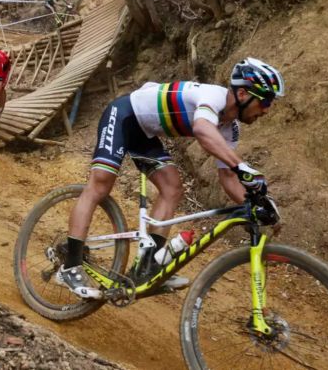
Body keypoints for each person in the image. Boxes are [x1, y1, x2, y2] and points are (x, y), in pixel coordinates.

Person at [55, 58, 285, 299]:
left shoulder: (230, 129)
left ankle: (145, 268)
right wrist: (242, 166)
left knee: (172, 188)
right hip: (124, 115)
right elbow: (202, 129)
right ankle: (69, 266)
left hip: (145, 134)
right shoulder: (213, 97)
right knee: (101, 182)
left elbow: (228, 178)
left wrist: (257, 206)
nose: (267, 109)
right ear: (242, 93)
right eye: (265, 100)